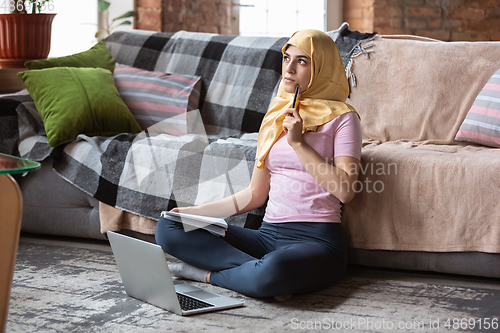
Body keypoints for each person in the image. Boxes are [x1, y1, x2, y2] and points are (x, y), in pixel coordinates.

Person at [155, 29, 362, 299]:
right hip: (266, 237)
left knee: (275, 268)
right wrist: (196, 213)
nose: (288, 68)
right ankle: (257, 275)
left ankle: (208, 274)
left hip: (317, 240)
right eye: (286, 57)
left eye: (302, 61)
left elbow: (346, 190)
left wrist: (299, 144)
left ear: (322, 67)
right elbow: (255, 194)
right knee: (169, 226)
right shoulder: (277, 114)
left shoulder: (344, 119)